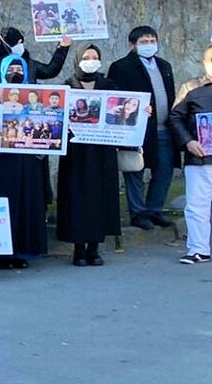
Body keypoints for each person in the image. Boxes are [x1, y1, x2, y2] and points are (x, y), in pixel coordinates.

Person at [0, 28, 69, 266]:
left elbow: (50, 71)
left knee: (29, 201)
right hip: (2, 156)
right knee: (5, 202)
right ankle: (2, 250)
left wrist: (63, 48)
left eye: (20, 70)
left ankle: (25, 251)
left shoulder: (33, 93)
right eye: (11, 69)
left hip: (31, 155)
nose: (16, 72)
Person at [108, 26, 178, 230]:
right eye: (144, 42)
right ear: (132, 45)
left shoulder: (164, 65)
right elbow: (116, 98)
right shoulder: (121, 67)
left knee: (164, 170)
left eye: (152, 41)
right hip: (137, 129)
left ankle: (154, 209)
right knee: (135, 169)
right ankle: (137, 212)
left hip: (164, 128)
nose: (149, 45)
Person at [57, 45, 121, 266]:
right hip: (76, 153)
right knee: (76, 198)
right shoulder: (67, 86)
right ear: (77, 60)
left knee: (99, 197)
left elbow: (121, 112)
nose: (91, 60)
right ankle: (78, 249)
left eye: (95, 57)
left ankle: (95, 248)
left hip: (102, 151)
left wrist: (143, 112)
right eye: (86, 57)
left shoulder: (109, 85)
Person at [169, 44, 212, 263]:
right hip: (200, 156)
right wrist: (188, 141)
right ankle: (198, 249)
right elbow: (175, 117)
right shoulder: (191, 88)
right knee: (197, 205)